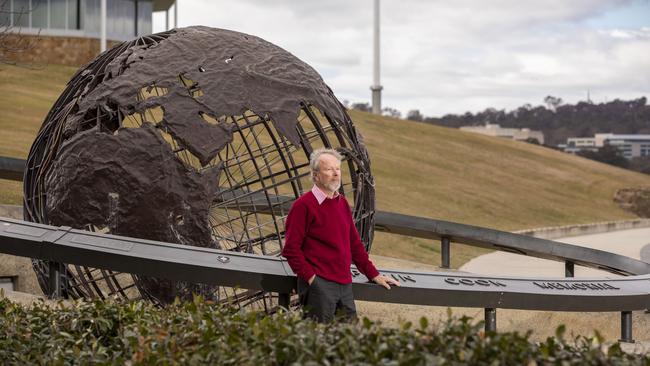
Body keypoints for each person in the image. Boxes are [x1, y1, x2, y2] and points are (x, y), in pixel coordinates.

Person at [281, 148, 400, 322]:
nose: (336, 174)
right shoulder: (303, 206)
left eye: (338, 169)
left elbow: (354, 244)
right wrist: (312, 279)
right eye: (329, 169)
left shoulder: (342, 203)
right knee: (318, 343)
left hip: (345, 284)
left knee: (347, 341)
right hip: (318, 286)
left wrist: (373, 274)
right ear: (315, 175)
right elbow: (291, 250)